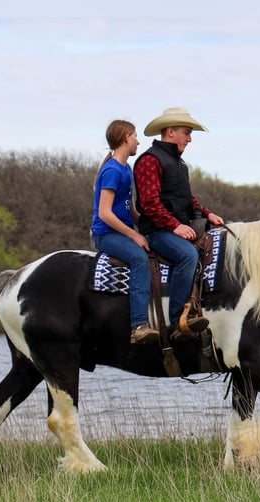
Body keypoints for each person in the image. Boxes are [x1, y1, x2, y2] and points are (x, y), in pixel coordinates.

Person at [133, 107, 224, 341]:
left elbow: (186, 198)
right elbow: (149, 203)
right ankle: (177, 322)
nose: (190, 138)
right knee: (187, 255)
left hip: (176, 227)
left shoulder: (180, 164)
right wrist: (174, 226)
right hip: (157, 231)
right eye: (187, 132)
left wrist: (207, 213)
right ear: (171, 131)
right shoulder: (149, 161)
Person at [91, 120, 160, 345]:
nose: (138, 141)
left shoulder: (126, 168)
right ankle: (138, 325)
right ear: (125, 138)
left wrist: (147, 225)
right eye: (135, 136)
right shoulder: (112, 171)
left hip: (122, 231)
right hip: (106, 235)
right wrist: (134, 235)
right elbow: (105, 213)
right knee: (139, 259)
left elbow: (128, 208)